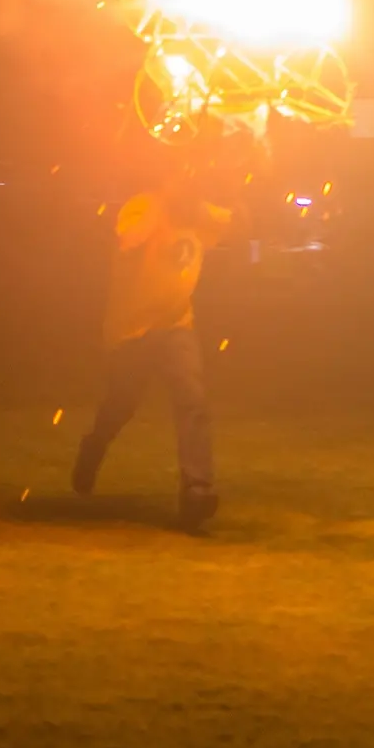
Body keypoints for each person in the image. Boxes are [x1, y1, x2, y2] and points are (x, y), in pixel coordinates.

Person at [73, 167, 247, 529]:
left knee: (192, 400)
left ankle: (197, 489)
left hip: (176, 326)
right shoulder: (144, 206)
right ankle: (94, 446)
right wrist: (163, 207)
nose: (189, 186)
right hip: (131, 331)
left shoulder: (198, 214)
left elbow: (239, 224)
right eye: (182, 180)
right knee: (120, 406)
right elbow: (127, 238)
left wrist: (244, 175)